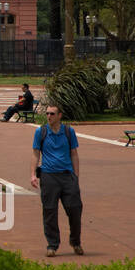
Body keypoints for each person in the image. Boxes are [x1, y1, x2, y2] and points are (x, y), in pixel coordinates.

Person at [30, 104, 84, 257]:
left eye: (52, 114)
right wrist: (33, 174)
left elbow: (74, 153)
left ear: (60, 115)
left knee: (75, 209)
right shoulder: (41, 132)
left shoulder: (68, 132)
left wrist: (76, 176)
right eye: (47, 113)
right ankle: (52, 244)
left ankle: (76, 241)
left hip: (67, 176)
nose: (49, 116)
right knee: (49, 211)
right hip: (48, 176)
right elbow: (35, 154)